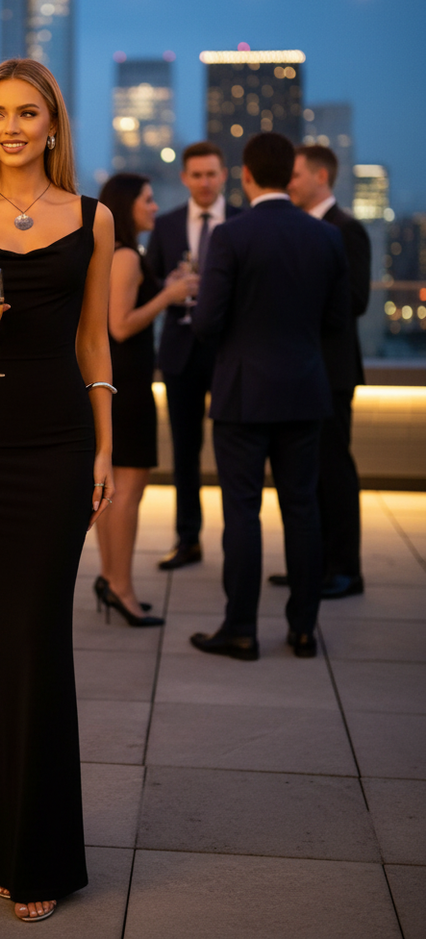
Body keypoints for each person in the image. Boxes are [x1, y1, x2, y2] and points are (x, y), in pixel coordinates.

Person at [0, 59, 114, 922]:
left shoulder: (95, 219)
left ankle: (32, 847)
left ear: (52, 124)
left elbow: (95, 347)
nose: (11, 126)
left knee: (36, 633)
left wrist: (106, 449)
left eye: (27, 113)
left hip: (58, 442)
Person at [190, 133, 350, 661]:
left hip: (242, 393)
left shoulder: (232, 236)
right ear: (291, 175)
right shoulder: (326, 238)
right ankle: (303, 630)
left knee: (242, 513)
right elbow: (335, 320)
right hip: (305, 389)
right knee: (302, 509)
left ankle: (240, 629)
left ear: (246, 175)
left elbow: (208, 320)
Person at [267, 145, 370, 598]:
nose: (289, 183)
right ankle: (313, 563)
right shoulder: (309, 227)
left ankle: (345, 569)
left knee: (333, 471)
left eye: (296, 175)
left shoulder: (347, 229)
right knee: (306, 473)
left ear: (321, 176)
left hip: (330, 372)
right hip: (303, 370)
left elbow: (355, 301)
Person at [95, 173, 198, 626]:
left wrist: (164, 287)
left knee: (110, 494)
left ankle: (111, 580)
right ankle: (121, 587)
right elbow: (120, 325)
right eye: (148, 200)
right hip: (128, 386)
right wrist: (171, 296)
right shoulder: (126, 257)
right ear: (127, 205)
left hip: (117, 382)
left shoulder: (117, 254)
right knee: (126, 493)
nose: (155, 207)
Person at [145, 141, 240, 570]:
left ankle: (239, 544)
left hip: (228, 353)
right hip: (180, 352)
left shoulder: (243, 223)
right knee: (184, 452)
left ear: (225, 176)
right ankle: (188, 539)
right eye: (196, 175)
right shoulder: (164, 226)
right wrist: (170, 286)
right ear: (184, 178)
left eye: (211, 174)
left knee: (233, 452)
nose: (204, 182)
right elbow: (148, 289)